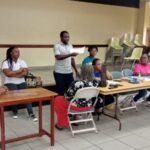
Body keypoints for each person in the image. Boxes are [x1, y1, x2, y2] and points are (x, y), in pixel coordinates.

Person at [54, 65, 114, 130]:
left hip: (75, 107)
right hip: (89, 106)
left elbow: (67, 96)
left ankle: (61, 124)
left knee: (58, 99)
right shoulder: (95, 83)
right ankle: (75, 119)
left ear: (82, 72)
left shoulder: (77, 83)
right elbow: (104, 83)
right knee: (75, 99)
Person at [2, 46, 37, 121]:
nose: (18, 53)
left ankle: (31, 113)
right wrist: (19, 71)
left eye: (18, 51)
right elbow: (7, 74)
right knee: (14, 97)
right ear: (11, 53)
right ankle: (14, 112)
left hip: (21, 81)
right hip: (10, 82)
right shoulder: (6, 62)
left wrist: (14, 73)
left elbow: (25, 73)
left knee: (27, 97)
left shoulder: (22, 61)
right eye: (16, 51)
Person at [53, 31, 79, 95]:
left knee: (71, 90)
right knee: (60, 91)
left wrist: (76, 70)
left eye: (68, 37)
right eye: (65, 37)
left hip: (69, 72)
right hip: (59, 72)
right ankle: (60, 104)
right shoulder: (57, 45)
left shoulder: (70, 45)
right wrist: (70, 54)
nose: (67, 38)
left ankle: (68, 104)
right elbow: (58, 57)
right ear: (61, 37)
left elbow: (72, 59)